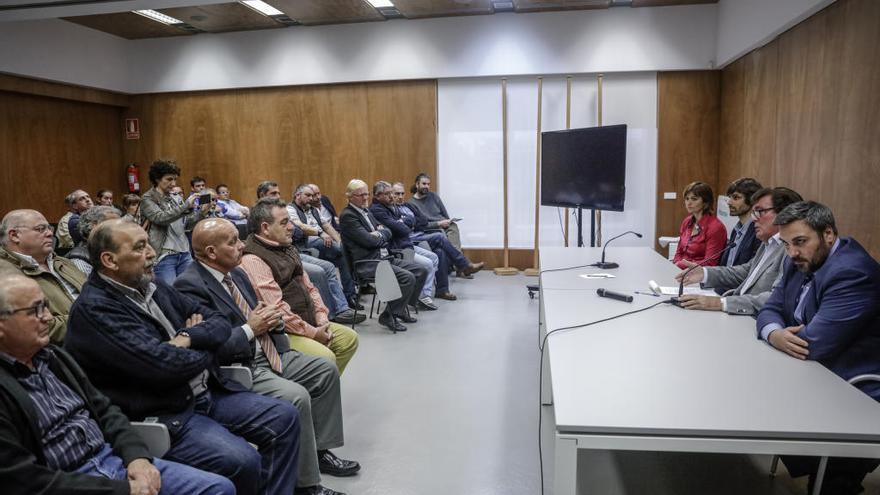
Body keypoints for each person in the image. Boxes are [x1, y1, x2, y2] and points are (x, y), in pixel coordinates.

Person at [65, 219, 301, 495]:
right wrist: (204, 344)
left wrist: (187, 338)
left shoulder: (152, 286)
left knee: (284, 416)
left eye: (149, 244)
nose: (152, 253)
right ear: (110, 260)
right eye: (140, 247)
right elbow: (164, 368)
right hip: (167, 411)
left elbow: (219, 322)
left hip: (207, 391)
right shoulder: (97, 310)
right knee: (241, 460)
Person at [0, 271, 235, 495]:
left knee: (218, 488)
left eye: (46, 307)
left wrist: (137, 457)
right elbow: (22, 480)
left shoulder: (53, 358)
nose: (48, 318)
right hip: (71, 482)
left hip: (113, 458)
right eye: (35, 310)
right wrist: (123, 490)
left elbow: (105, 410)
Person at [175, 218, 358, 495]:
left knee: (324, 370)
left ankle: (319, 451)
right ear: (211, 252)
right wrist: (252, 327)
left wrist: (273, 320)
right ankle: (307, 485)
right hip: (237, 366)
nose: (241, 246)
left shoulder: (235, 274)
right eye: (233, 241)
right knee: (295, 396)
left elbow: (258, 313)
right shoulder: (189, 286)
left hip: (269, 349)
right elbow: (209, 344)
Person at [757, 201, 880, 494]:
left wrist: (781, 334)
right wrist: (775, 333)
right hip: (816, 372)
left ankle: (838, 478)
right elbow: (770, 308)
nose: (792, 253)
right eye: (786, 244)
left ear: (828, 234)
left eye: (800, 242)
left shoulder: (853, 272)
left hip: (855, 385)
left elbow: (811, 346)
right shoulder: (797, 260)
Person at [239, 198, 361, 374]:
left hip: (308, 320)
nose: (292, 227)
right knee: (326, 357)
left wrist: (322, 319)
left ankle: (320, 388)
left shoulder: (286, 246)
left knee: (349, 339)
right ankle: (318, 387)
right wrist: (313, 333)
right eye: (284, 223)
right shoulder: (253, 259)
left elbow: (310, 287)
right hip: (282, 333)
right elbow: (278, 310)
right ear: (265, 228)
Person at [674, 187, 802, 315]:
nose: (754, 219)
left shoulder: (792, 251)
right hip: (737, 311)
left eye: (760, 211)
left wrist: (720, 303)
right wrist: (705, 273)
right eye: (753, 213)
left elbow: (776, 298)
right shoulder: (768, 243)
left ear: (785, 214)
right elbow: (746, 271)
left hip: (754, 320)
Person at [257, 181, 363, 324]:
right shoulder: (265, 214)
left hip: (292, 250)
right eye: (273, 193)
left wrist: (339, 241)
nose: (278, 196)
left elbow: (320, 226)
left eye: (279, 193)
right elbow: (295, 230)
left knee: (337, 256)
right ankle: (331, 316)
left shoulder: (299, 210)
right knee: (320, 270)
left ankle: (343, 306)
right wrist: (318, 233)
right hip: (287, 252)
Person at [340, 179, 427, 332]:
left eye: (366, 194)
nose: (365, 198)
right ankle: (388, 315)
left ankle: (400, 309)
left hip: (384, 258)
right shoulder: (348, 216)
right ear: (350, 197)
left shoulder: (366, 211)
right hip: (369, 263)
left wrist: (379, 233)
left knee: (421, 271)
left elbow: (387, 230)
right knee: (407, 278)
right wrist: (379, 234)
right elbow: (369, 241)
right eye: (360, 195)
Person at [0, 209, 86, 343]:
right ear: (14, 235)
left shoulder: (63, 262)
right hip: (61, 351)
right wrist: (95, 319)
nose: (50, 233)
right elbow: (38, 325)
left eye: (49, 228)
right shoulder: (6, 274)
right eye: (40, 229)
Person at [392, 182, 483, 287]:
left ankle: (442, 290)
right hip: (409, 240)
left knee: (441, 250)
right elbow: (402, 227)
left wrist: (409, 222)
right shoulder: (392, 208)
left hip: (419, 234)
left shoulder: (409, 206)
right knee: (439, 237)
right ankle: (464, 265)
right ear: (391, 194)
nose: (400, 197)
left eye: (402, 194)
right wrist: (411, 222)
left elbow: (423, 221)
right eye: (397, 194)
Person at [370, 180, 440, 310]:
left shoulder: (391, 206)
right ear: (377, 195)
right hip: (398, 248)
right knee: (428, 264)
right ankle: (420, 297)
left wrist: (402, 221)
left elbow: (416, 221)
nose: (392, 196)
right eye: (388, 193)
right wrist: (402, 223)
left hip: (407, 244)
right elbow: (402, 229)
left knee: (435, 257)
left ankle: (423, 296)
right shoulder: (377, 209)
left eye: (392, 193)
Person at [139, 160, 209, 283]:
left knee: (191, 290)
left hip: (184, 252)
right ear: (157, 179)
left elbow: (187, 225)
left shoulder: (175, 197)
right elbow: (160, 218)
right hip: (164, 255)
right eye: (169, 179)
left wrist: (202, 212)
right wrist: (185, 206)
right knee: (170, 296)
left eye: (175, 179)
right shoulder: (147, 198)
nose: (173, 183)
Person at [289, 184, 357, 309]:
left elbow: (326, 226)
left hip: (322, 239)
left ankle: (349, 294)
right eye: (308, 195)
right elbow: (300, 226)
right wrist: (320, 233)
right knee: (331, 247)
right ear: (297, 195)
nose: (311, 198)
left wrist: (339, 242)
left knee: (343, 253)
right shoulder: (291, 209)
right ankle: (346, 299)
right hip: (305, 240)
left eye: (313, 195)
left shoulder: (314, 210)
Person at [672, 181, 728, 269]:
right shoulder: (687, 221)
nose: (689, 203)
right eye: (687, 199)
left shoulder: (716, 227)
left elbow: (710, 262)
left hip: (699, 275)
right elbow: (679, 252)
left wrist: (680, 265)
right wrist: (675, 265)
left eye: (694, 199)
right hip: (680, 270)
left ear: (705, 202)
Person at [408, 172, 463, 251]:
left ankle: (457, 258)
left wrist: (448, 221)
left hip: (444, 225)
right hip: (431, 229)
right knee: (442, 235)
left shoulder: (434, 196)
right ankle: (458, 260)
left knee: (453, 226)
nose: (427, 186)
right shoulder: (411, 203)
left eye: (428, 184)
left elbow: (445, 215)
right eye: (424, 184)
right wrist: (439, 224)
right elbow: (420, 226)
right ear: (417, 184)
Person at [718, 178, 763, 268]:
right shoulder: (736, 230)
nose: (729, 202)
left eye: (736, 198)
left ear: (752, 200)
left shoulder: (758, 231)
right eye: (729, 197)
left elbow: (750, 270)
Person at [67, 205, 122, 276]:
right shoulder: (79, 259)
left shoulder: (112, 250)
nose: (121, 230)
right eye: (112, 225)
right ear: (93, 227)